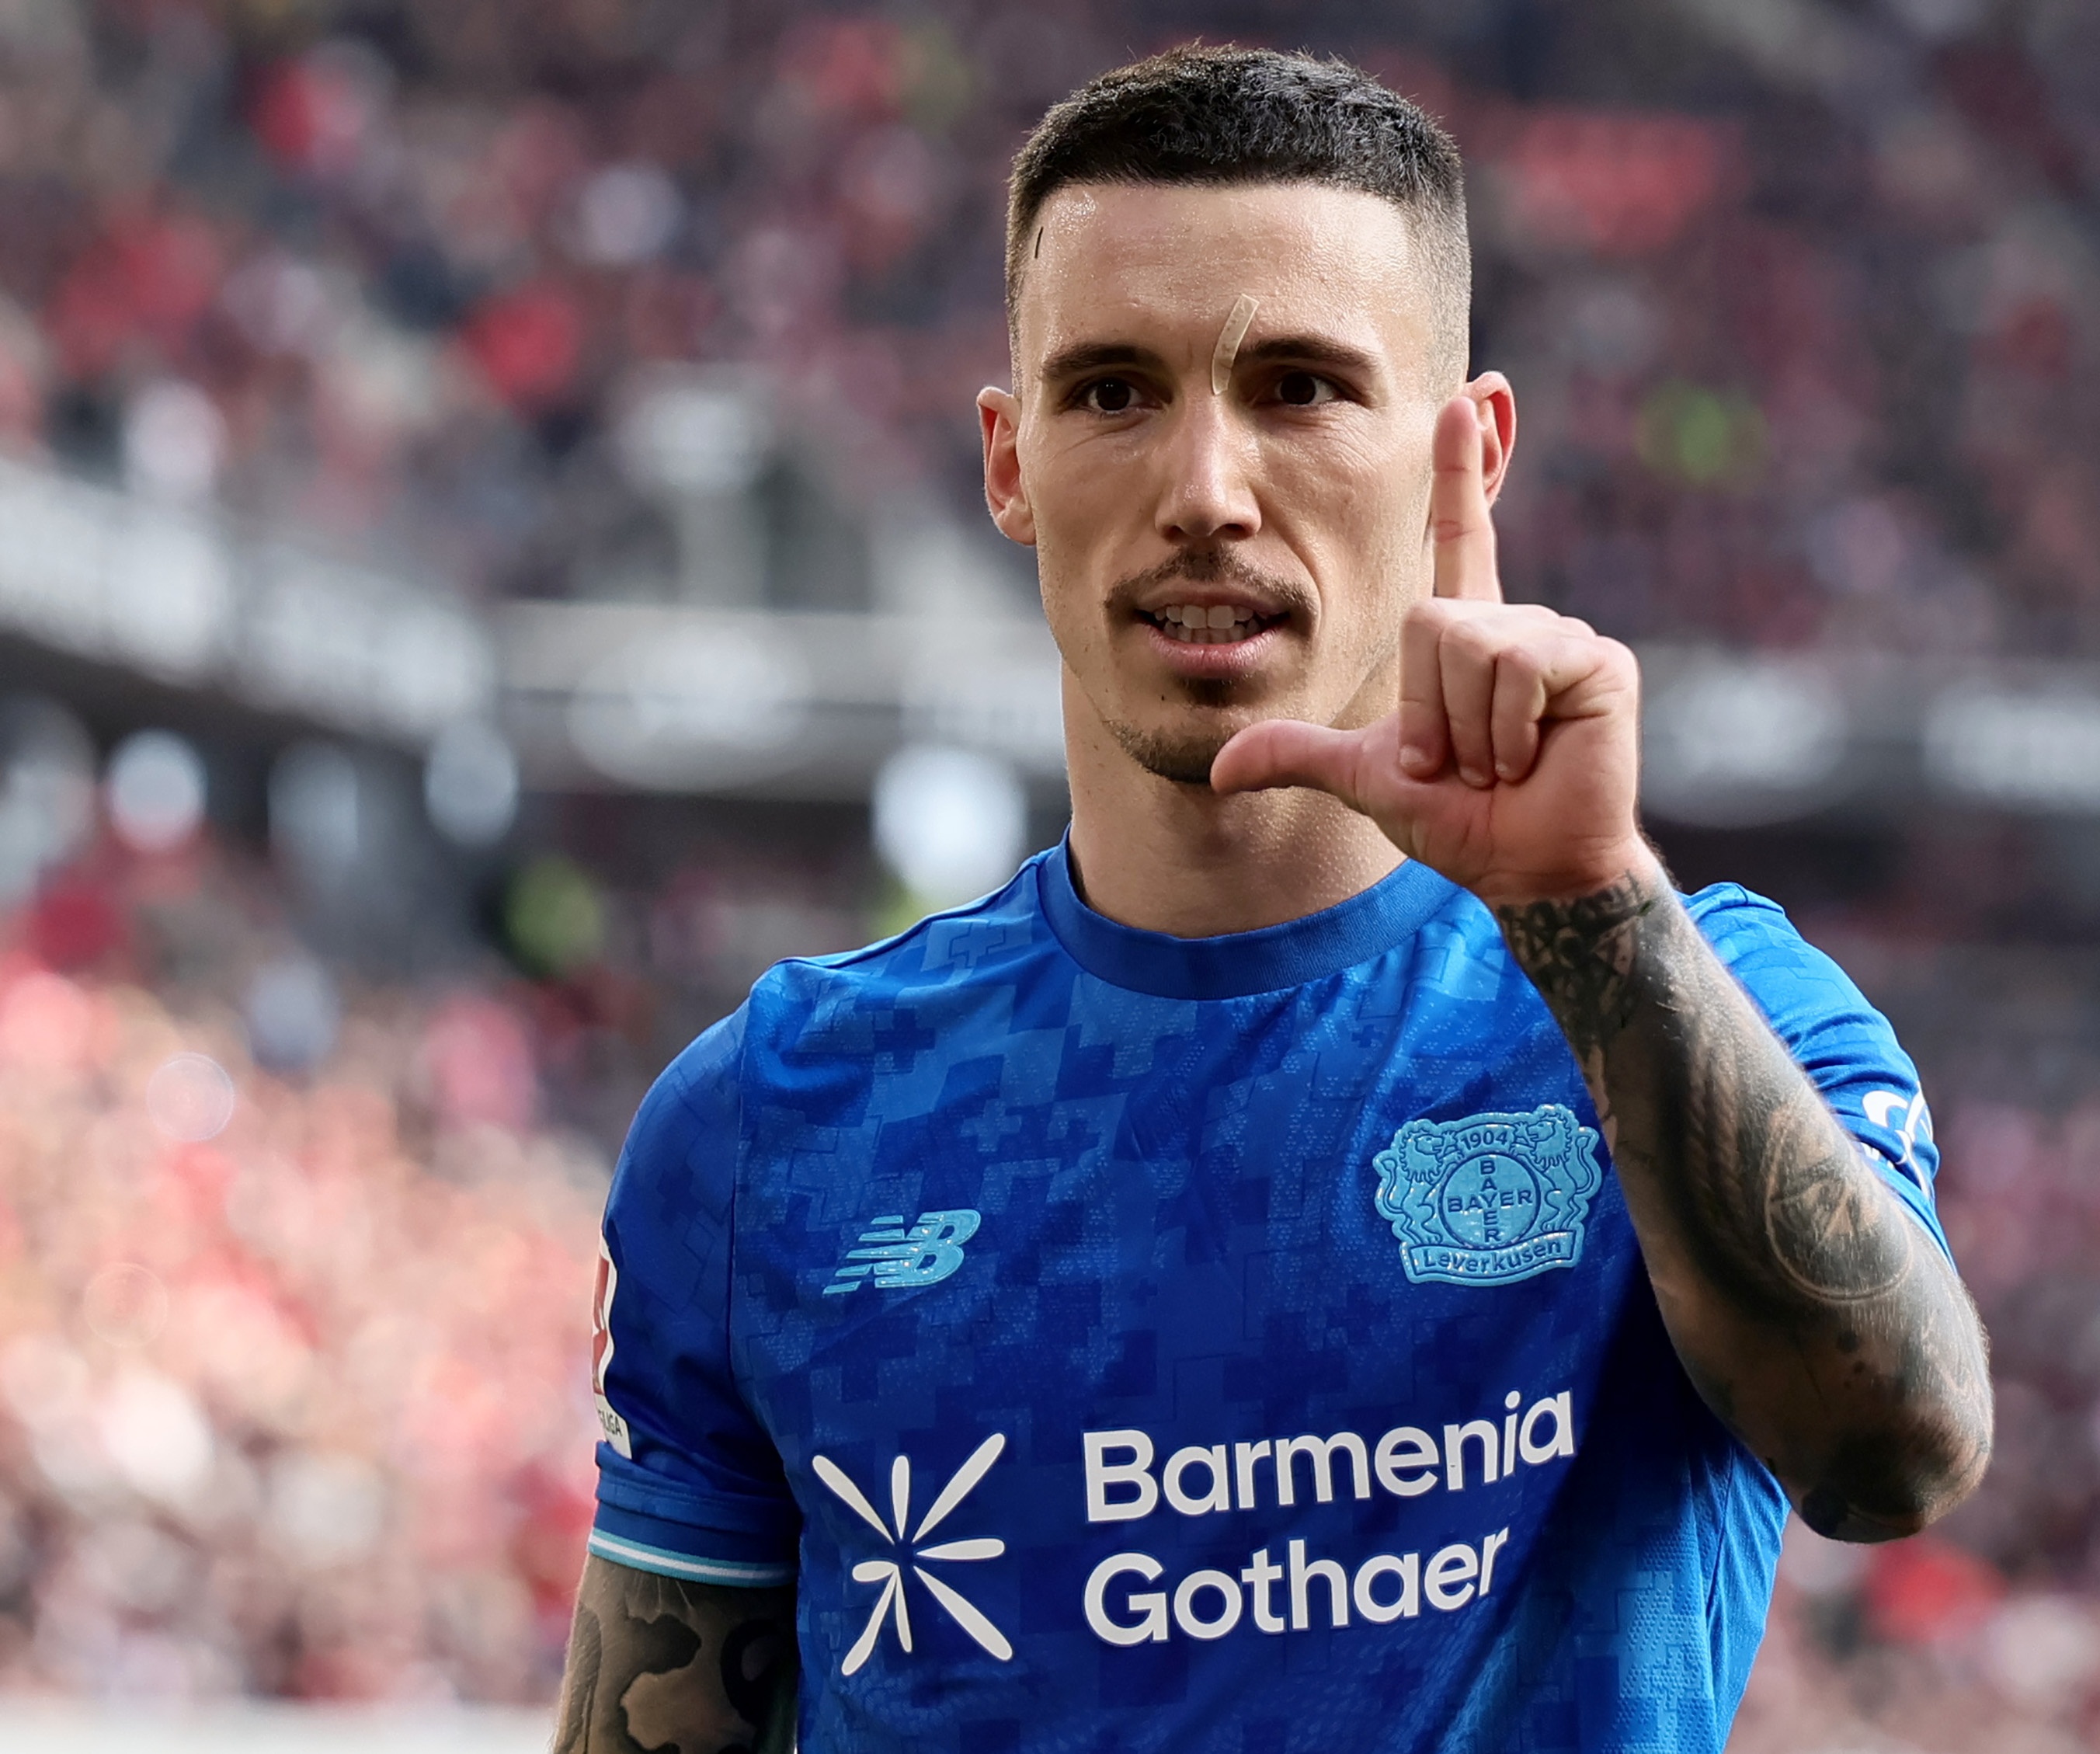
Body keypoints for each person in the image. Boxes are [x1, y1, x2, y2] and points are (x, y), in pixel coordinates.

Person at [554, 45, 1990, 1754]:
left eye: (1300, 388)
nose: (1205, 494)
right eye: (1112, 392)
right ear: (1008, 463)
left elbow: (1897, 1456)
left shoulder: (1707, 1006)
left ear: (1469, 452)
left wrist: (1591, 911)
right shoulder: (766, 1124)